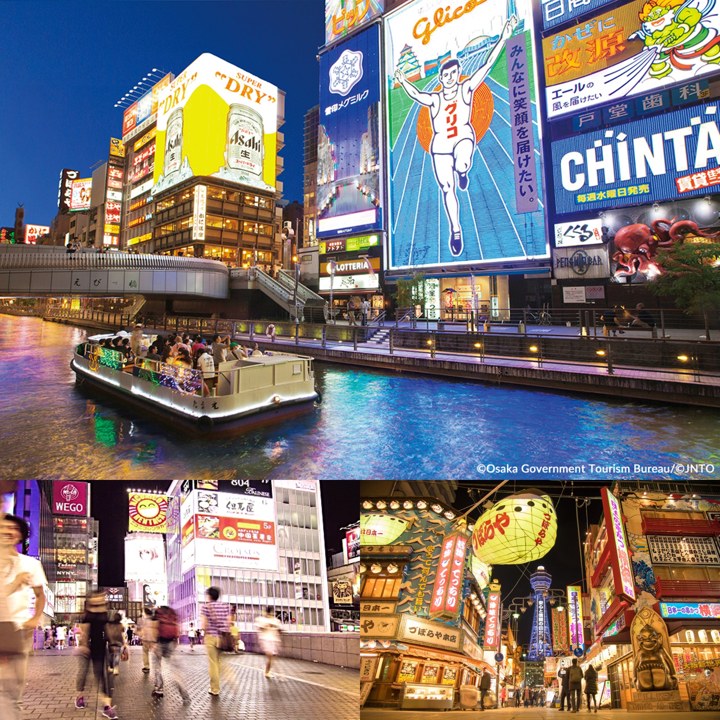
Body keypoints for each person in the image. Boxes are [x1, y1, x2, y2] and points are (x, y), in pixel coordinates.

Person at [394, 15, 516, 256]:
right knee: (447, 188)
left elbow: (487, 65)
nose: (451, 78)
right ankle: (456, 229)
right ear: (441, 78)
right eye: (447, 75)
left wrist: (504, 37)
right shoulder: (436, 98)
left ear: (458, 73)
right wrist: (401, 80)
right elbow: (416, 94)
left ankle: (463, 171)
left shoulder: (466, 88)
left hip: (462, 137)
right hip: (440, 146)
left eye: (454, 73)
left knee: (462, 161)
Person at [0, 514, 47, 718]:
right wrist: (15, 582)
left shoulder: (30, 564)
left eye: (13, 528)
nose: (7, 531)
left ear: (20, 535)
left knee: (12, 692)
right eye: (3, 527)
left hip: (16, 633)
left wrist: (35, 618)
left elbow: (40, 596)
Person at [75, 591, 117, 719]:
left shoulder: (104, 614)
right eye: (98, 597)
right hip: (88, 647)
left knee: (101, 675)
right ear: (92, 600)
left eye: (102, 598)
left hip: (100, 647)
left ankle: (107, 707)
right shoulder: (87, 615)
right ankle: (79, 697)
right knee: (84, 673)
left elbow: (107, 629)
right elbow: (84, 631)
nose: (101, 599)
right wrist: (83, 645)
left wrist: (112, 643)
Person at [152, 605, 190, 704]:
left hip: (160, 643)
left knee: (157, 667)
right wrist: (175, 641)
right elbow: (177, 629)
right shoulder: (172, 614)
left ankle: (159, 689)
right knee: (175, 670)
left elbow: (155, 627)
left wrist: (154, 643)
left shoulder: (157, 613)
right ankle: (183, 692)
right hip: (171, 643)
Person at [200, 587, 231, 696]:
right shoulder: (226, 606)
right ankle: (229, 676)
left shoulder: (205, 607)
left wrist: (204, 631)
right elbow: (229, 622)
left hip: (211, 637)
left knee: (213, 663)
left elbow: (204, 625)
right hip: (222, 638)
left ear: (209, 595)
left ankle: (215, 689)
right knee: (219, 662)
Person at [255, 607, 282, 678]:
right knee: (270, 656)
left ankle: (268, 672)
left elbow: (280, 630)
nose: (270, 614)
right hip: (265, 640)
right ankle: (271, 672)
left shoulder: (276, 620)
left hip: (274, 640)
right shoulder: (261, 619)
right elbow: (260, 628)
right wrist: (267, 625)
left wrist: (277, 628)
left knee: (272, 658)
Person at [105, 612, 126, 677]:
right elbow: (123, 634)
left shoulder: (109, 625)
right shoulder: (121, 625)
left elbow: (107, 633)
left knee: (111, 655)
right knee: (117, 655)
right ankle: (116, 668)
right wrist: (124, 643)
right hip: (119, 642)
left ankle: (111, 667)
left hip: (111, 642)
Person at [138, 607, 157, 675]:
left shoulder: (142, 620)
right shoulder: (154, 619)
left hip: (146, 639)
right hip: (153, 640)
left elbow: (139, 629)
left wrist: (141, 636)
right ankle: (157, 667)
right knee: (155, 654)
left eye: (143, 612)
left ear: (145, 613)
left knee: (145, 653)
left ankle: (146, 667)